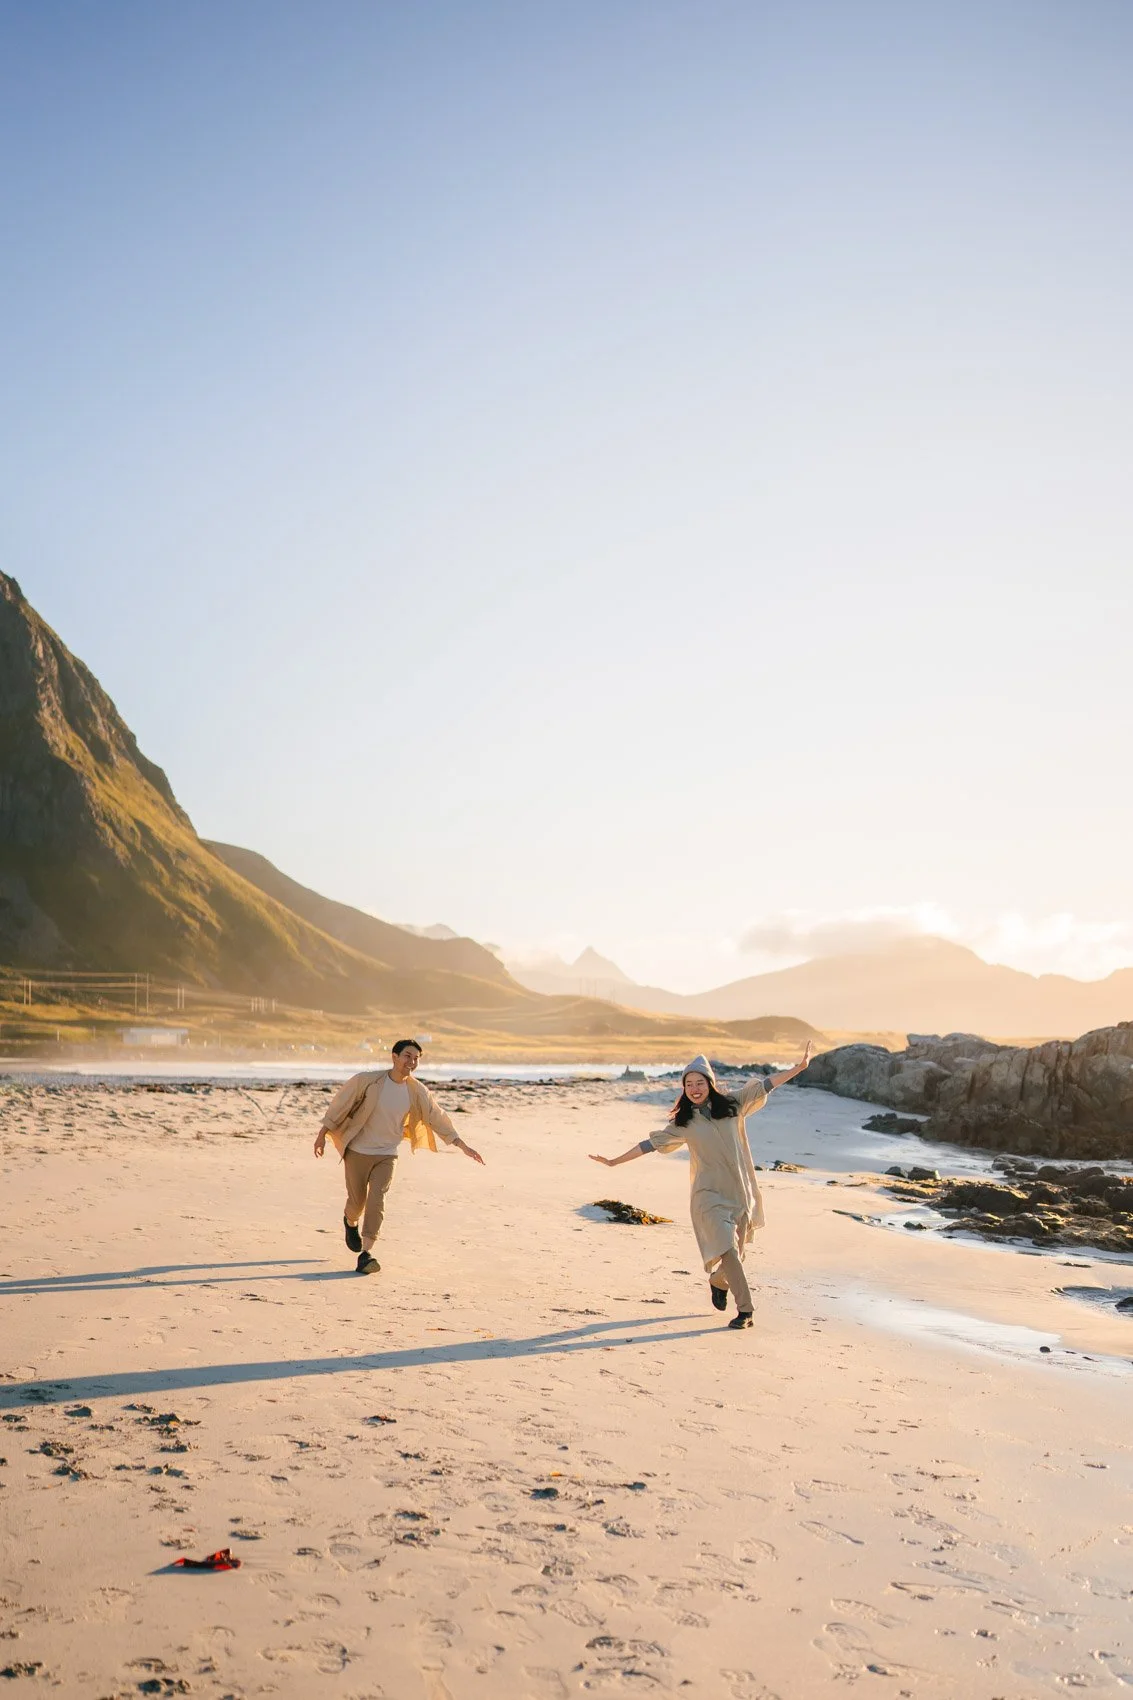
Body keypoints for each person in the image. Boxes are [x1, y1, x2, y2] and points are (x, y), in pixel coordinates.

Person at [589, 1046, 813, 1328]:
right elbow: (650, 1144)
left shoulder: (734, 1104)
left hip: (739, 1193)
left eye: (699, 1083)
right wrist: (614, 1161)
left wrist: (799, 1068)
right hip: (708, 1196)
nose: (695, 1089)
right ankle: (746, 1311)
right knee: (728, 1250)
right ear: (684, 1089)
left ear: (710, 1083)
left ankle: (719, 1281)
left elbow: (766, 1085)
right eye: (689, 1084)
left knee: (737, 1255)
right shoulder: (684, 1122)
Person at [314, 1038, 484, 1274]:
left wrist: (461, 1145)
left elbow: (437, 1116)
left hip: (387, 1154)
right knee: (357, 1203)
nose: (411, 1062)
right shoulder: (368, 1081)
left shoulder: (417, 1091)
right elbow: (339, 1106)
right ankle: (350, 1222)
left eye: (416, 1058)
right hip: (358, 1151)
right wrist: (322, 1134)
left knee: (377, 1200)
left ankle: (366, 1254)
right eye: (407, 1056)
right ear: (394, 1057)